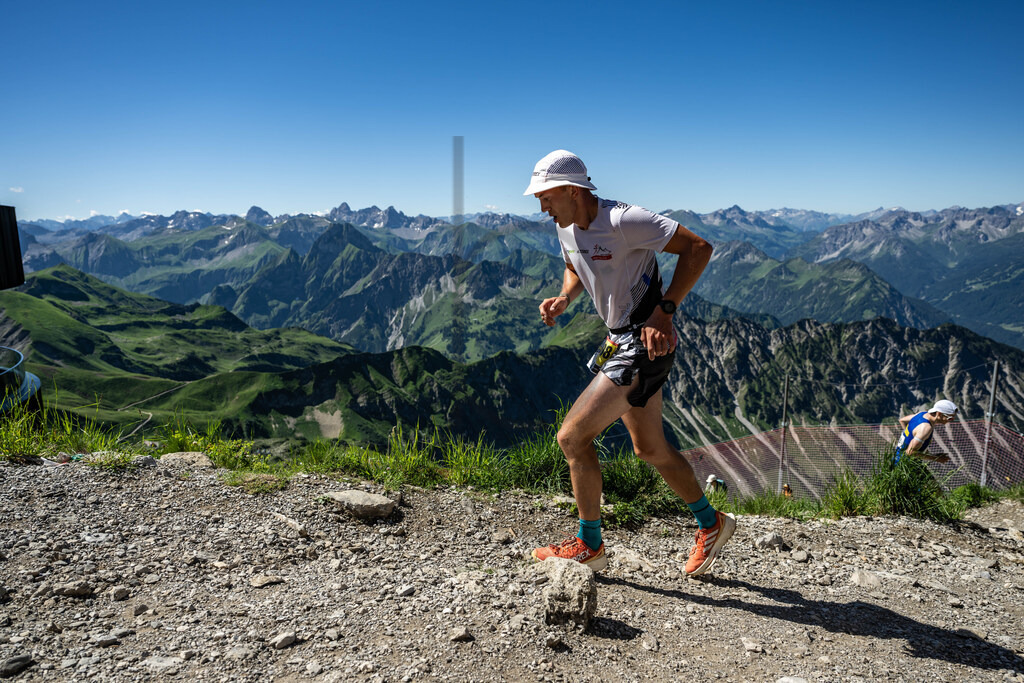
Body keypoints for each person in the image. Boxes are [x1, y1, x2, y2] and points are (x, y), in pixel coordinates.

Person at [524, 149, 735, 577]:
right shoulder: (566, 227)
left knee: (571, 438)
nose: (541, 205)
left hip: (644, 341)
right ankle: (713, 523)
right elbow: (574, 264)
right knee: (649, 448)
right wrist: (566, 296)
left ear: (571, 189)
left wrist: (665, 310)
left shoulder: (623, 220)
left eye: (546, 196)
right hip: (619, 340)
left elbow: (698, 247)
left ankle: (590, 543)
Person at [894, 399, 957, 464]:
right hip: (904, 465)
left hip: (899, 458)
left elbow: (902, 420)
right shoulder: (925, 428)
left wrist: (909, 436)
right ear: (939, 414)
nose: (951, 420)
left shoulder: (921, 414)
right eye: (950, 418)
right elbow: (910, 452)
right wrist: (936, 458)